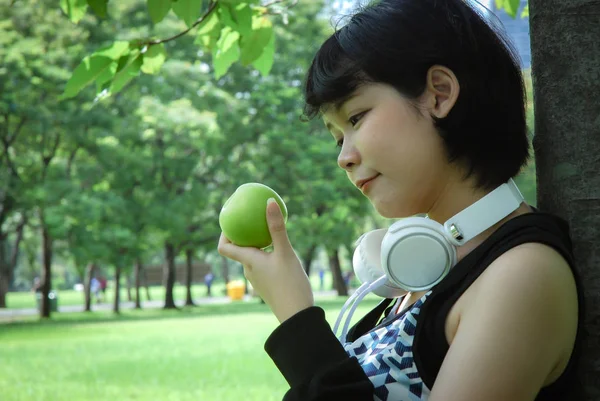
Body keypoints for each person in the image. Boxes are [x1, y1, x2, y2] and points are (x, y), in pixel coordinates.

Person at [217, 1, 584, 400]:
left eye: (356, 118)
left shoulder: (521, 275)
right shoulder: (423, 273)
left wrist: (298, 320)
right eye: (338, 137)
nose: (344, 157)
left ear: (439, 94)